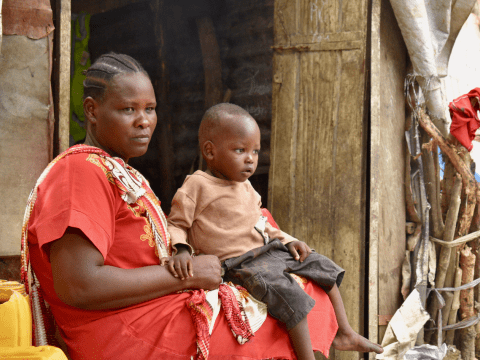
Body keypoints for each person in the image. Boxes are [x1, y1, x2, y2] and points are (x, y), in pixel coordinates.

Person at [23, 53, 339, 360]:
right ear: (92, 111)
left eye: (150, 109)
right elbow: (79, 285)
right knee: (293, 306)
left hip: (148, 314)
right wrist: (187, 277)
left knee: (302, 285)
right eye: (128, 109)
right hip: (127, 334)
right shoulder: (80, 171)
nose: (144, 121)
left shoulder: (115, 171)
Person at [166, 103, 384, 360]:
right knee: (289, 293)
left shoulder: (246, 185)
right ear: (210, 151)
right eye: (240, 150)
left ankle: (344, 332)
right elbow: (176, 223)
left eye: (255, 151)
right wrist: (181, 250)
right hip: (238, 263)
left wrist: (289, 241)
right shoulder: (198, 185)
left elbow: (261, 224)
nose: (250, 159)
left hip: (267, 251)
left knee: (321, 265)